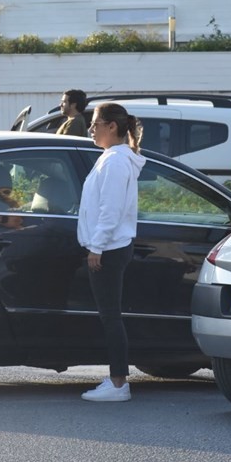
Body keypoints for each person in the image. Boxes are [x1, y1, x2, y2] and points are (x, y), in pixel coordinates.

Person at [78, 102, 145, 402]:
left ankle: (119, 383)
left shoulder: (116, 162)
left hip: (109, 250)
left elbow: (110, 211)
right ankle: (116, 379)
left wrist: (96, 247)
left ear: (112, 127)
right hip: (109, 247)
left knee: (111, 317)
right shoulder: (111, 158)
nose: (91, 129)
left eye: (96, 123)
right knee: (110, 315)